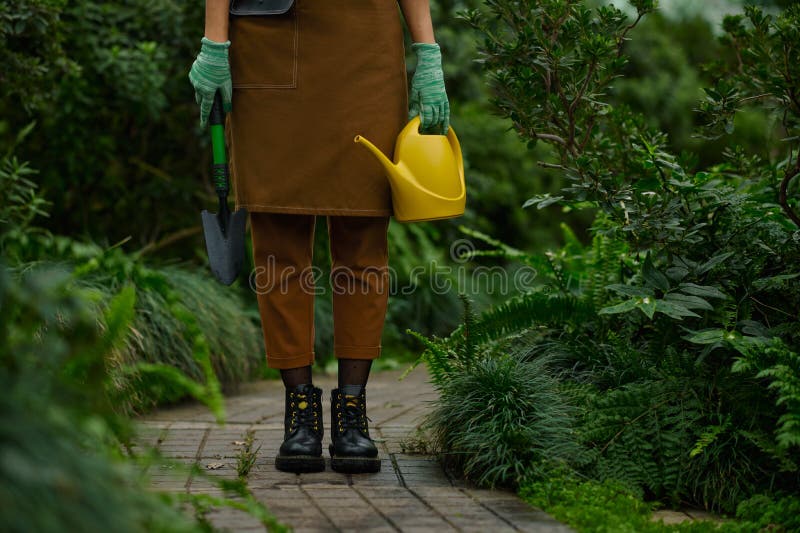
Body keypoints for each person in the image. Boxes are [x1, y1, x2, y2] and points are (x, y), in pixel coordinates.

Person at [188, 0, 449, 474]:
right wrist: (214, 41)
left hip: (366, 45)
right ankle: (300, 416)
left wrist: (428, 52)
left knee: (364, 234)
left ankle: (352, 412)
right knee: (277, 237)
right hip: (269, 40)